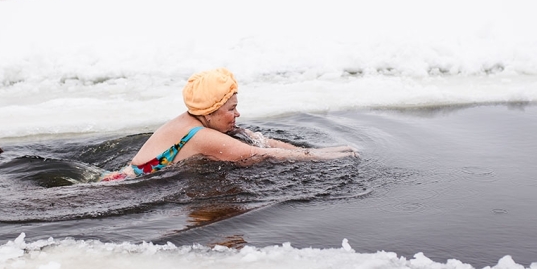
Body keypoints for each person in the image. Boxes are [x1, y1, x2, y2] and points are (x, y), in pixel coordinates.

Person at [102, 68, 357, 181]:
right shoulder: (201, 136)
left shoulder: (193, 118)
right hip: (117, 189)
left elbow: (263, 140)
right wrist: (322, 159)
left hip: (116, 178)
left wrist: (324, 150)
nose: (237, 114)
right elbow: (261, 154)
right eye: (231, 109)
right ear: (211, 110)